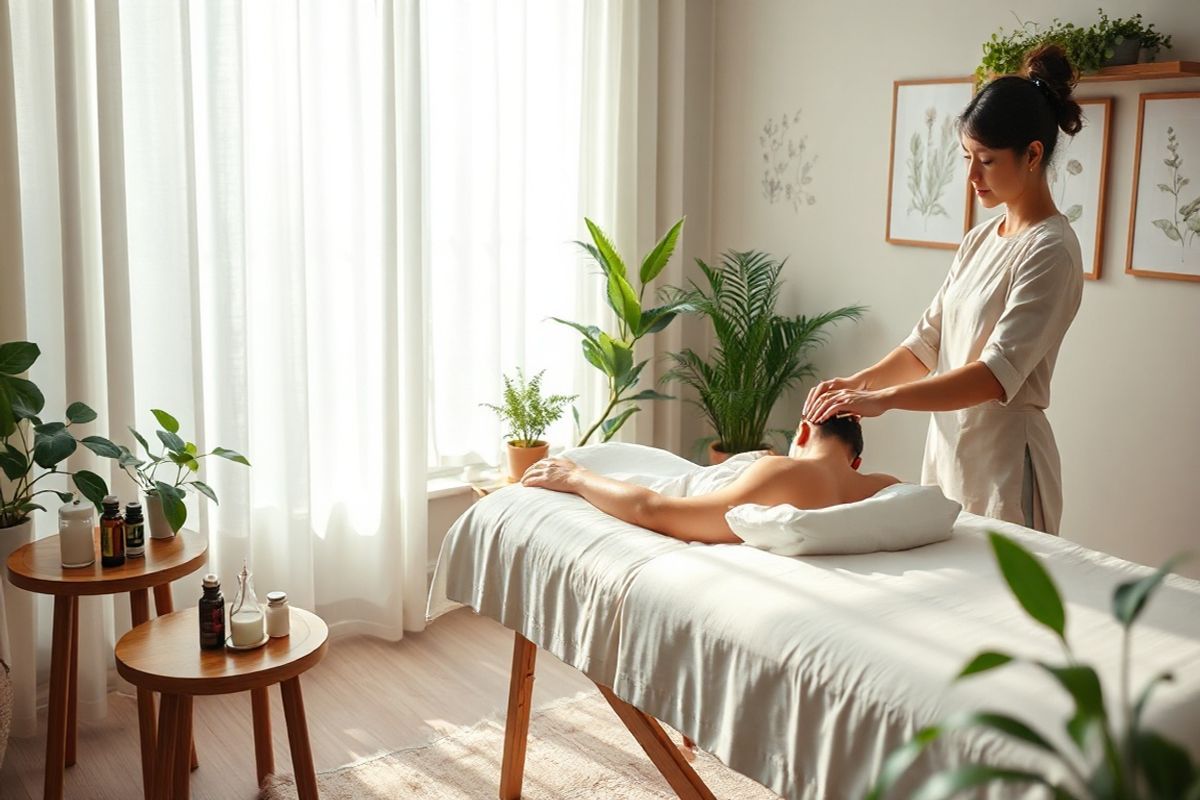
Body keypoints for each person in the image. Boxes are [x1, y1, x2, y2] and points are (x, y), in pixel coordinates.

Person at [803, 44, 1085, 534]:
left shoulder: (1051, 250)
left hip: (1004, 464)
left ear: (1033, 154)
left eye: (988, 160)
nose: (972, 177)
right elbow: (926, 343)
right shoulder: (980, 239)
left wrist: (886, 398)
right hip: (948, 452)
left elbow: (996, 375)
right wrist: (857, 384)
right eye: (967, 158)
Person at [520, 416, 899, 543]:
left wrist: (577, 476)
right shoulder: (883, 487)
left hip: (670, 490)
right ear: (857, 460)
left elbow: (654, 510)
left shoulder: (781, 468)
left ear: (801, 434)